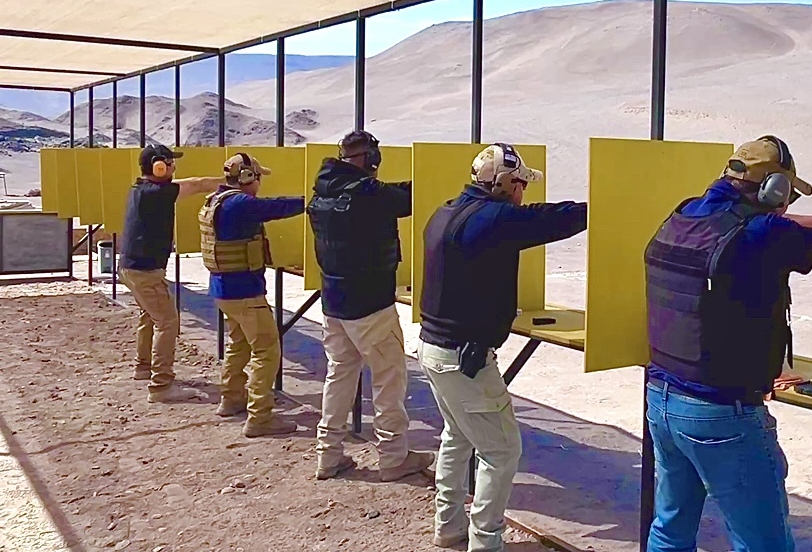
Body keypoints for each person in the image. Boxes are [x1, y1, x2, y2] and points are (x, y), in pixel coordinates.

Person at [643, 135, 812, 552]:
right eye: (787, 194)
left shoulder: (685, 215)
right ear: (774, 189)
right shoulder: (761, 234)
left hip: (663, 400)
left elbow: (778, 225)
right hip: (722, 413)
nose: (787, 204)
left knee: (670, 530)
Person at [418, 143, 587, 552]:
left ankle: (448, 526)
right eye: (520, 183)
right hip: (463, 357)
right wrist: (605, 206)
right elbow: (554, 219)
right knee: (502, 450)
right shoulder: (493, 218)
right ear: (504, 182)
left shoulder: (445, 212)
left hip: (434, 349)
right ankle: (486, 542)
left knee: (458, 437)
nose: (522, 192)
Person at [306, 130, 436, 482]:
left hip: (333, 303)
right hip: (371, 305)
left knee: (339, 377)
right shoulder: (367, 194)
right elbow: (408, 198)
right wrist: (438, 176)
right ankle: (393, 457)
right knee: (389, 380)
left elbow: (389, 194)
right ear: (371, 159)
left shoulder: (323, 191)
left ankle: (328, 454)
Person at [199, 152, 305, 437]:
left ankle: (232, 398)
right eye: (257, 177)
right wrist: (311, 201)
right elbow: (277, 207)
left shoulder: (215, 201)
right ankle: (260, 416)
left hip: (223, 290)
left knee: (239, 345)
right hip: (245, 291)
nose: (259, 183)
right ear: (246, 177)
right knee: (266, 350)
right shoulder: (240, 204)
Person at [119, 144, 224, 403]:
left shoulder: (141, 189)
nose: (173, 167)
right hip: (145, 271)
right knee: (167, 322)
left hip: (131, 268)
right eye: (169, 163)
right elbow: (198, 184)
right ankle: (161, 386)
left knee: (150, 315)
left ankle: (143, 367)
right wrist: (233, 182)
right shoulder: (158, 193)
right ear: (158, 167)